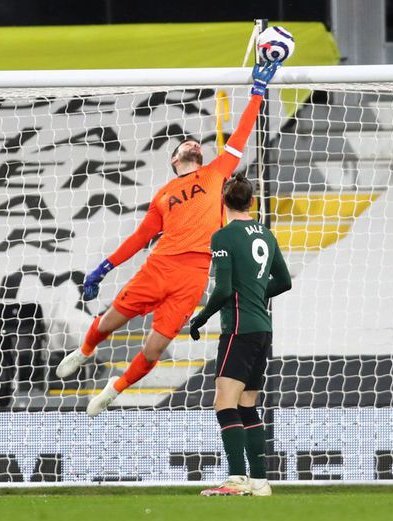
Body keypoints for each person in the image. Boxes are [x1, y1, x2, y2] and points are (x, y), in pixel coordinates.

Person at [55, 60, 282, 417]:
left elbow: (241, 134)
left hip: (193, 276)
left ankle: (113, 391)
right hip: (159, 266)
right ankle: (84, 351)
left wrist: (257, 93)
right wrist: (103, 267)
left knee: (154, 348)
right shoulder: (163, 195)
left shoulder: (215, 173)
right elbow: (138, 238)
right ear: (175, 160)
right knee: (109, 322)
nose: (192, 143)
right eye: (183, 145)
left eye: (195, 143)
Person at [189, 174, 291, 496]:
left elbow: (221, 290)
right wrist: (257, 294)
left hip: (238, 329)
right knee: (247, 406)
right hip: (262, 329)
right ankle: (260, 482)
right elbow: (284, 281)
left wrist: (200, 318)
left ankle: (235, 479)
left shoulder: (223, 237)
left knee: (224, 403)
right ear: (251, 201)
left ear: (224, 200)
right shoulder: (265, 233)